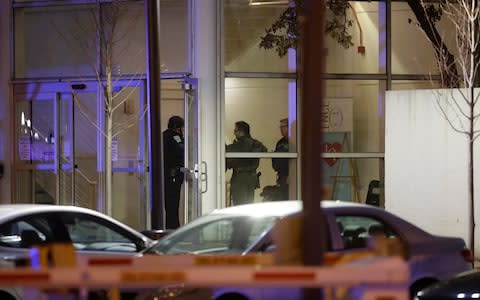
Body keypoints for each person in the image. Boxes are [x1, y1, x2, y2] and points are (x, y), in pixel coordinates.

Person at [226, 121, 267, 206]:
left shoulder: (238, 145)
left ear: (241, 132)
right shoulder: (256, 144)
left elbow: (228, 157)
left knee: (239, 206)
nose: (234, 132)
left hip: (240, 178)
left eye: (235, 130)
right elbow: (264, 150)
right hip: (252, 178)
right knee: (249, 205)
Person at [163, 115, 185, 229]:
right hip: (173, 176)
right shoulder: (174, 137)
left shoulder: (163, 136)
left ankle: (171, 227)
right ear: (177, 127)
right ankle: (173, 229)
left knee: (169, 206)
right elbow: (182, 150)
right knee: (173, 205)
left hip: (165, 176)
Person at [271, 118, 289, 200]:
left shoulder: (296, 141)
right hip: (282, 176)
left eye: (283, 127)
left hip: (291, 176)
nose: (281, 129)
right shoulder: (280, 142)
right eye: (280, 127)